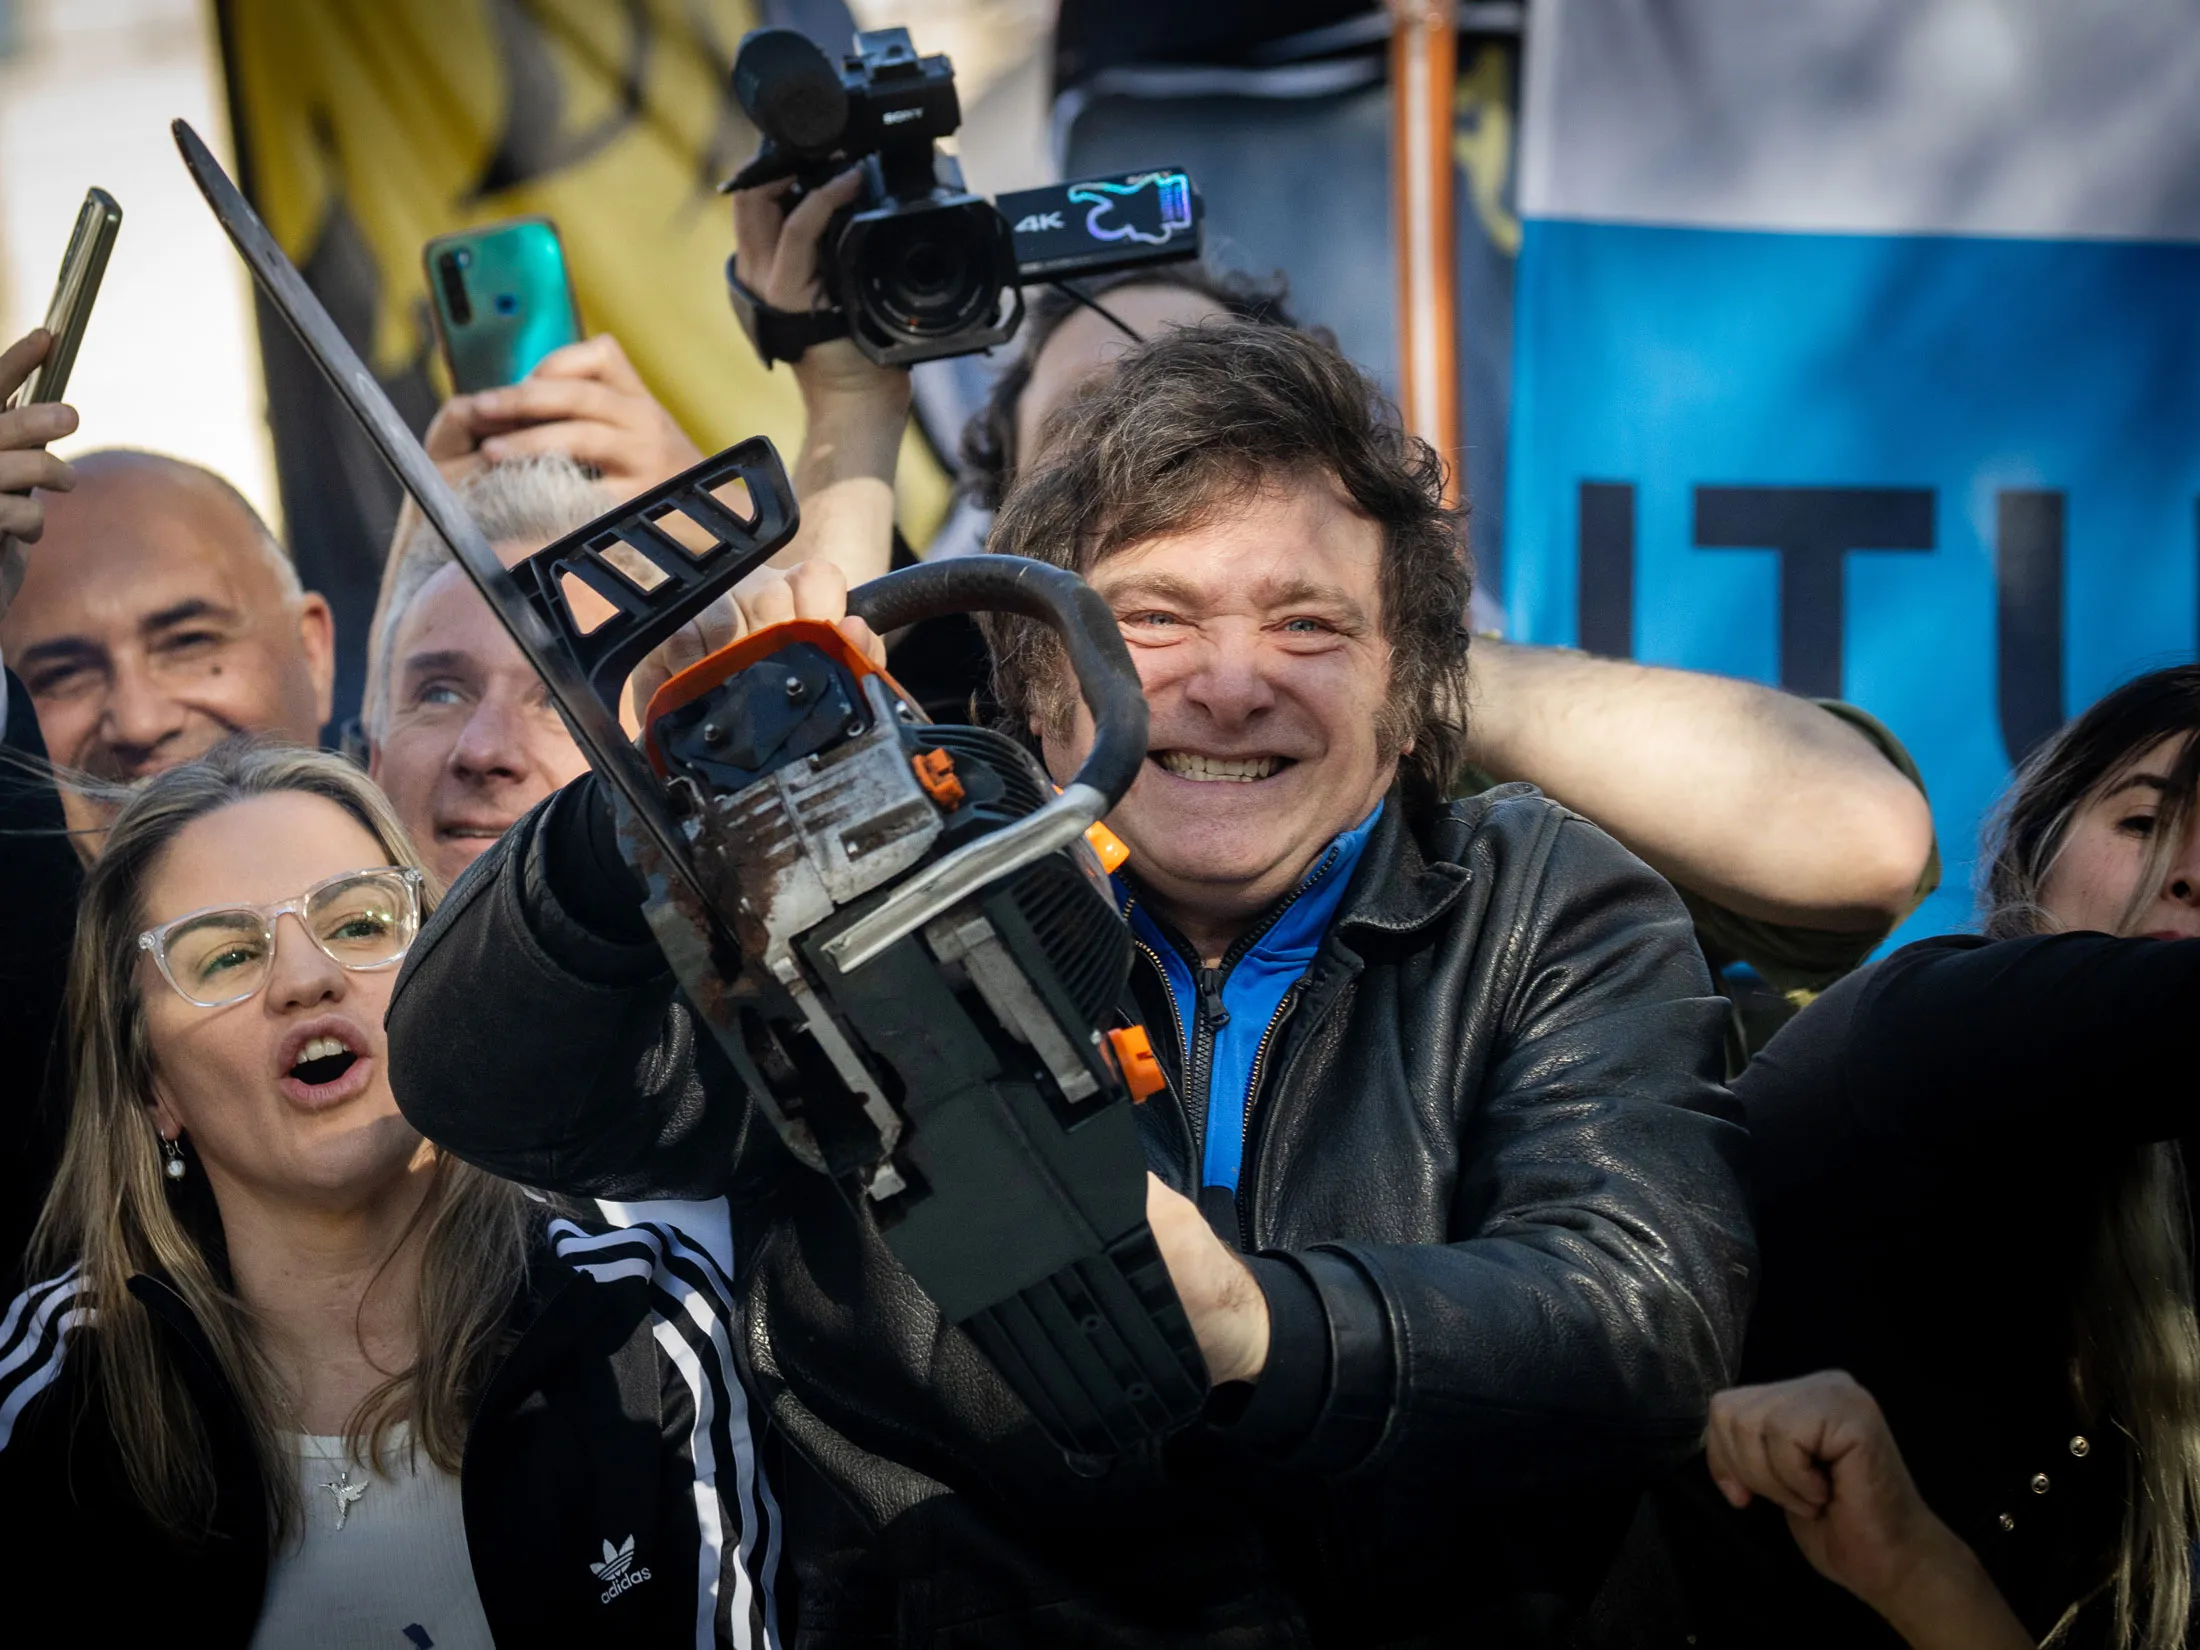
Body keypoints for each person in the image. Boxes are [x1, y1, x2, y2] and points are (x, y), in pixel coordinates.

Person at [388, 321, 1755, 1643]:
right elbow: (480, 1085)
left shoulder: (1545, 907)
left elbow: (1637, 1319)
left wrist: (1255, 1328)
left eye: (1309, 626)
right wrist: (617, 817)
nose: (1230, 683)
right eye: (1154, 618)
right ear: (1038, 688)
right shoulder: (838, 914)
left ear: (1409, 701)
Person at [733, 182, 1940, 1060]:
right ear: (1008, 541)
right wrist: (849, 408)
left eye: (1224, 406)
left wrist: (1393, 668)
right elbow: (753, 833)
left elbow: (1861, 840)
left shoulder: (1470, 795)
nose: (1175, 459)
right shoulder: (957, 744)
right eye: (1102, 427)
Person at [0, 739, 773, 1647]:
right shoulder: (47, 1394)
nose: (305, 979)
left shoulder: (641, 1319)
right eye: (223, 958)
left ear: (448, 985)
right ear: (151, 1087)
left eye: (361, 924)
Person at [1651, 662, 2200, 1649]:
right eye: (2140, 821)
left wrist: (1913, 1567)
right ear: (2032, 861)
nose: (2188, 867)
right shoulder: (1914, 1027)